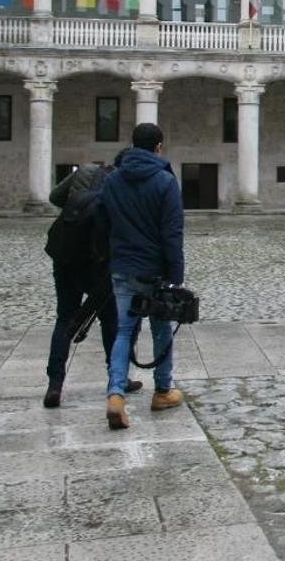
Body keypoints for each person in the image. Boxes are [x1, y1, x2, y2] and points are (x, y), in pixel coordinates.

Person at [97, 122, 185, 431]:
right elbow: (172, 233)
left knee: (123, 332)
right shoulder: (165, 181)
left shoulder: (112, 180)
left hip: (123, 267)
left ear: (133, 145)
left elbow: (103, 221)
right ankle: (162, 391)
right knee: (161, 331)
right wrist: (176, 276)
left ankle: (116, 394)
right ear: (159, 146)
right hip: (156, 270)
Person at [42, 162, 141, 408]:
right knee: (111, 321)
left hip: (66, 254)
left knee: (65, 317)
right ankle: (117, 379)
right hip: (97, 261)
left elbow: (55, 196)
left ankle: (55, 384)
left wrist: (77, 213)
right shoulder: (121, 184)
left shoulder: (85, 170)